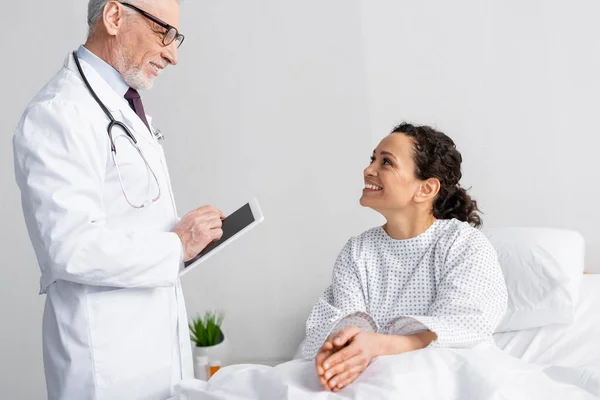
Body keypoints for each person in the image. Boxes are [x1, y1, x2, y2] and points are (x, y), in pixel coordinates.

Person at [13, 1, 224, 399]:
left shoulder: (122, 105)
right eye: (164, 33)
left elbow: (133, 219)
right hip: (107, 368)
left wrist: (185, 244)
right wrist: (176, 245)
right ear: (113, 17)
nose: (173, 55)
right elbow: (69, 247)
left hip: (153, 354)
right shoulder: (60, 112)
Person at [302, 123, 508, 392]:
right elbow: (345, 325)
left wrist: (377, 345)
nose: (368, 170)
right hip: (367, 380)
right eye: (372, 158)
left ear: (425, 189)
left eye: (386, 162)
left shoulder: (463, 244)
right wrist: (339, 349)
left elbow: (464, 327)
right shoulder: (357, 251)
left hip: (445, 379)